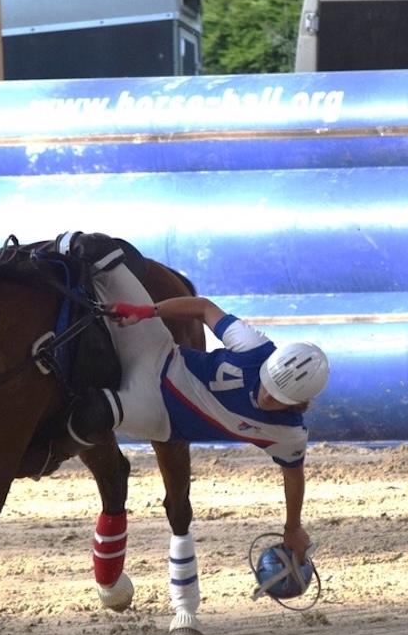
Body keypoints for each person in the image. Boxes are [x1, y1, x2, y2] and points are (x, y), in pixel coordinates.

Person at [61, 234, 330, 564]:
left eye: (276, 398)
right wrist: (147, 311)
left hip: (159, 413)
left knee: (88, 417)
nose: (265, 395)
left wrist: (292, 527)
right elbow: (204, 308)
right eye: (266, 383)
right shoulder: (257, 348)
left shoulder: (288, 435)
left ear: (297, 405)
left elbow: (293, 476)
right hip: (158, 353)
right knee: (94, 247)